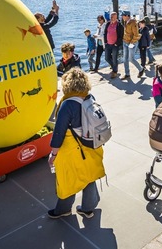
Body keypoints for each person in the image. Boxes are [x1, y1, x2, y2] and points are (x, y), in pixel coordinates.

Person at [47, 69, 104, 219]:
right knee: (89, 176)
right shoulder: (89, 97)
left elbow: (59, 132)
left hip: (73, 150)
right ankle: (88, 208)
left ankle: (63, 209)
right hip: (91, 145)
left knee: (69, 179)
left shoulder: (67, 104)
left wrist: (53, 154)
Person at [121, 11, 142, 80]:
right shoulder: (125, 21)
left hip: (132, 43)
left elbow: (136, 35)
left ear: (127, 16)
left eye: (123, 15)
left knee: (131, 59)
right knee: (125, 59)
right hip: (125, 42)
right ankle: (127, 74)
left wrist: (131, 43)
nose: (122, 17)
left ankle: (141, 69)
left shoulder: (133, 23)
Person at [103, 12, 123, 79]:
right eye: (111, 16)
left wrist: (117, 43)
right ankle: (114, 67)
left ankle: (115, 71)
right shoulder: (108, 23)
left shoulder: (119, 25)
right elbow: (105, 33)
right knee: (107, 58)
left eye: (113, 17)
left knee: (114, 58)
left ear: (116, 17)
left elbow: (121, 36)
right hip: (108, 44)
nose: (111, 18)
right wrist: (105, 42)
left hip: (115, 45)